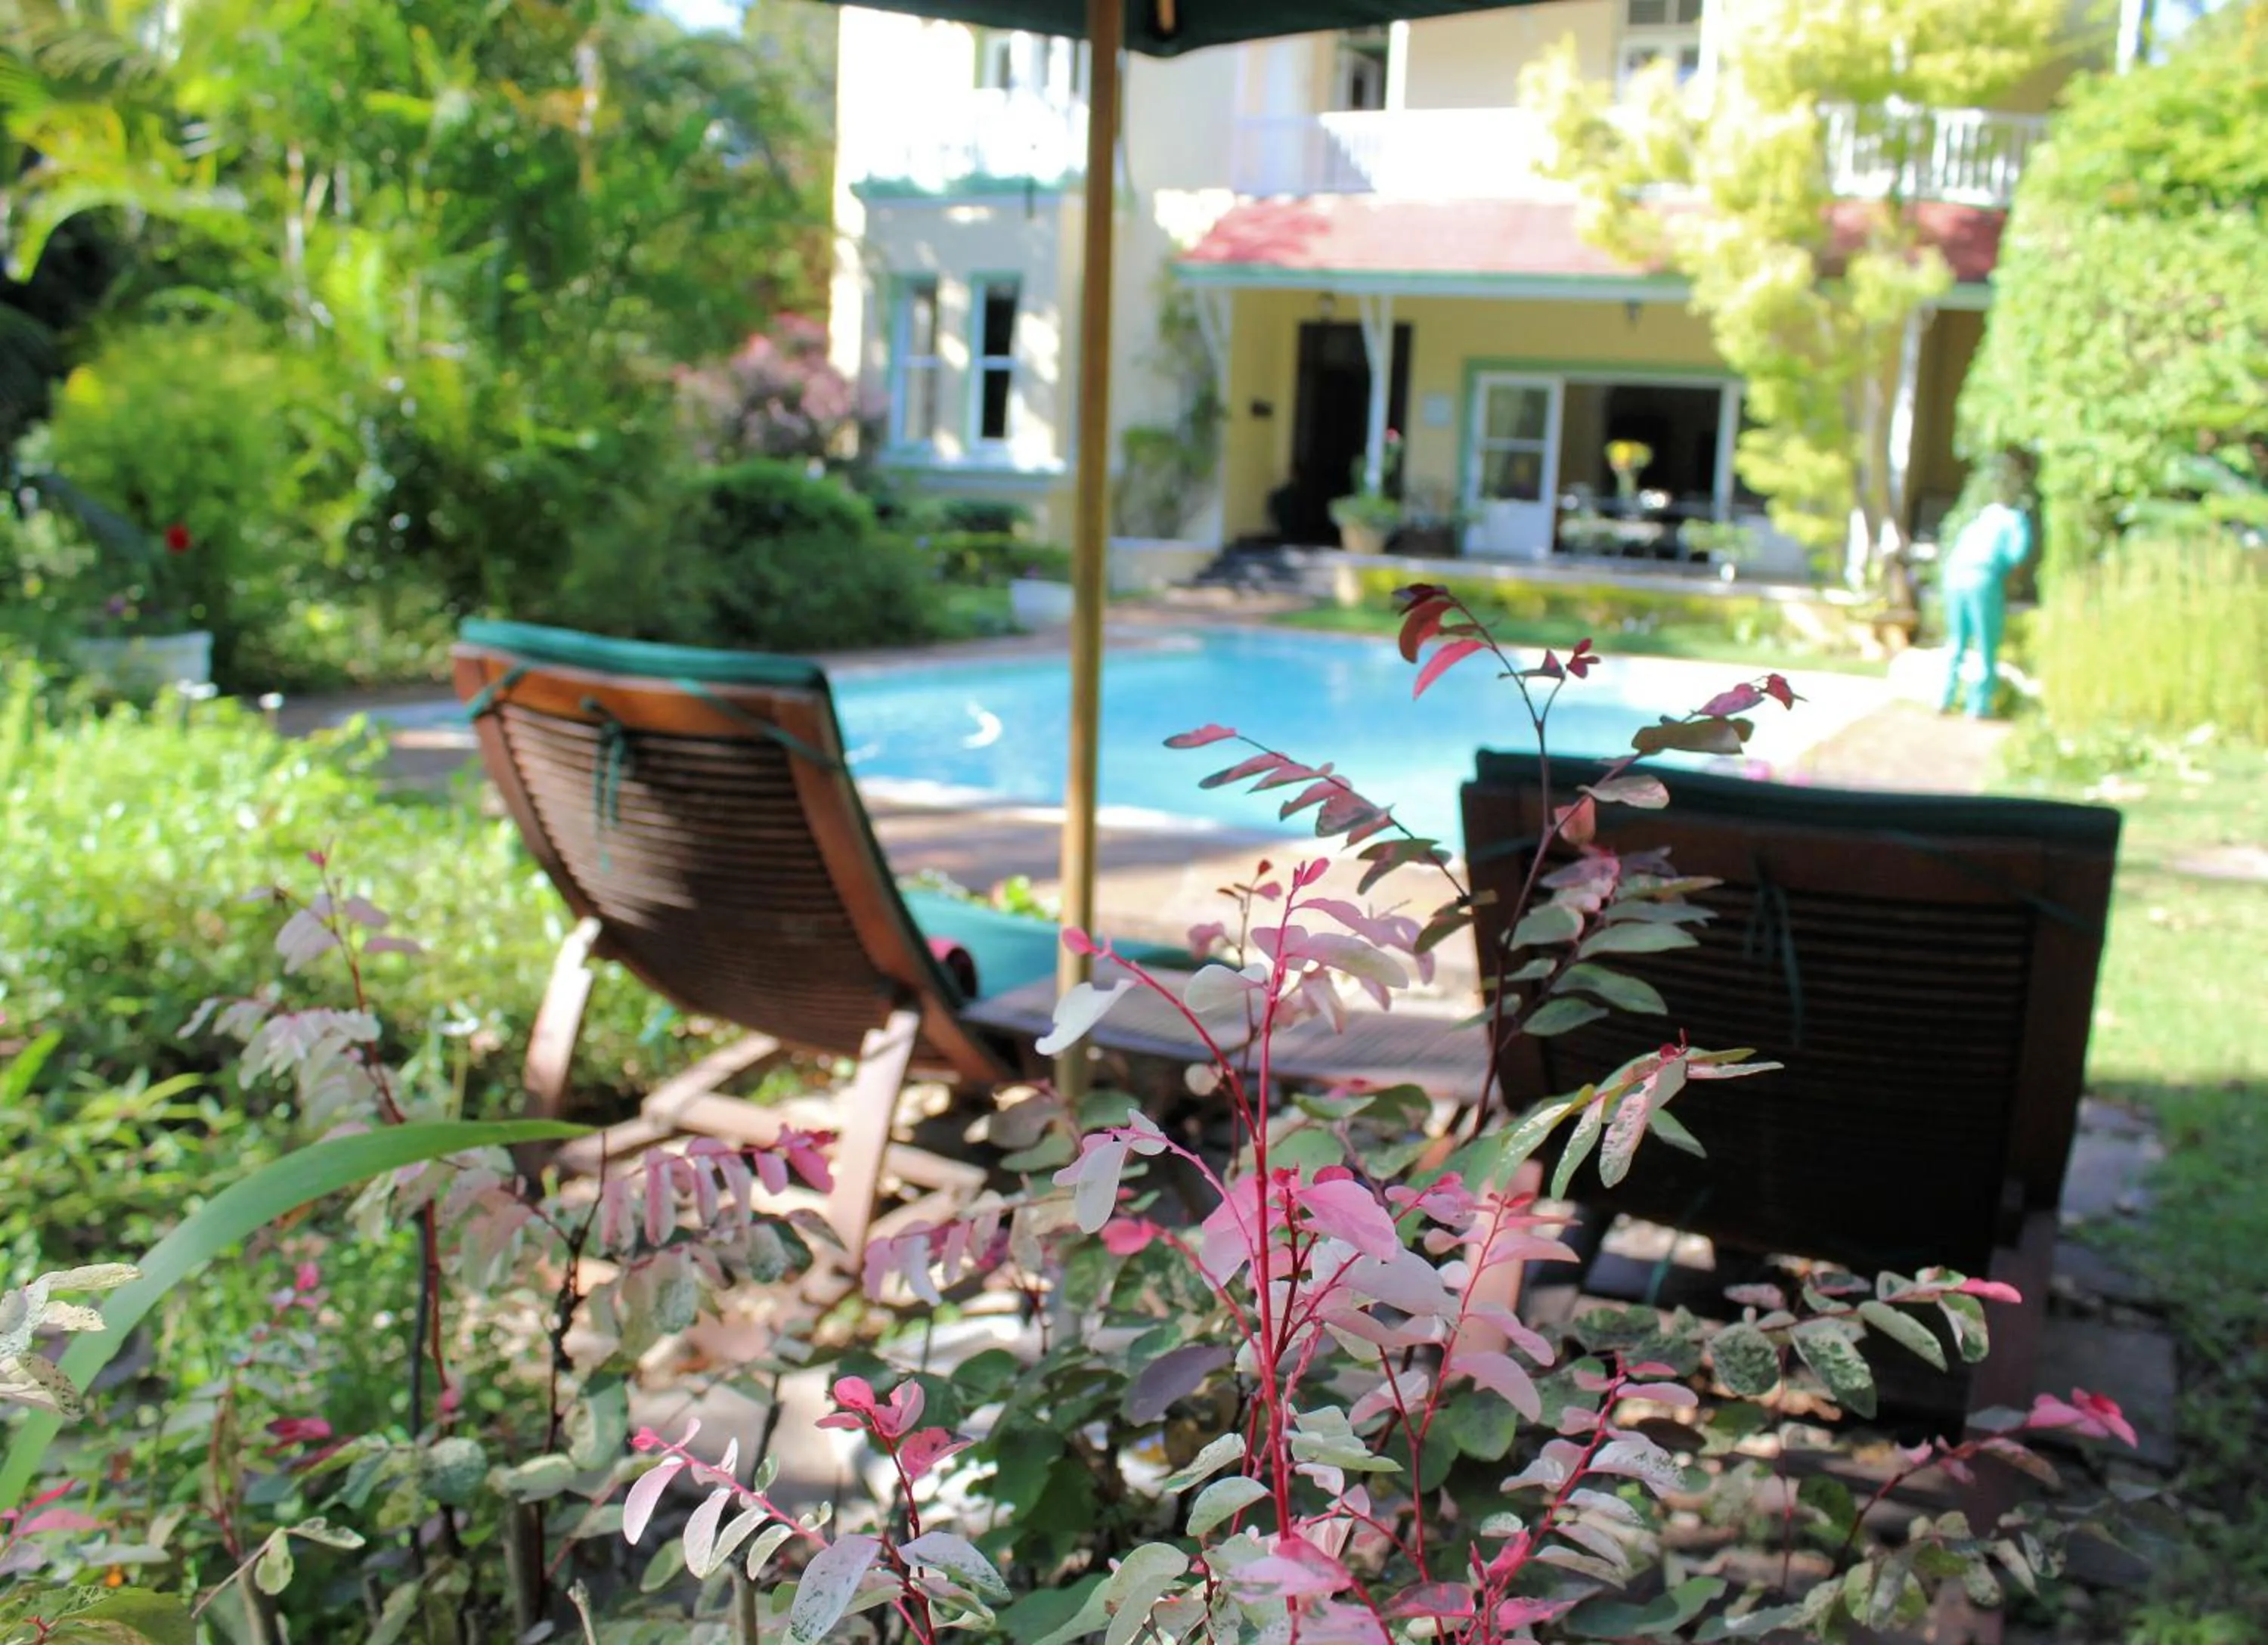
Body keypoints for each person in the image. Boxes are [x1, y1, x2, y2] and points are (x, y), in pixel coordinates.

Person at [1938, 466, 2031, 718]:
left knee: (1956, 641)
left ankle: (1943, 697)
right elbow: (2017, 554)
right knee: (1985, 642)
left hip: (1954, 576)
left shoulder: (1978, 520)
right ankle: (1978, 706)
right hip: (1983, 578)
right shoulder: (2014, 520)